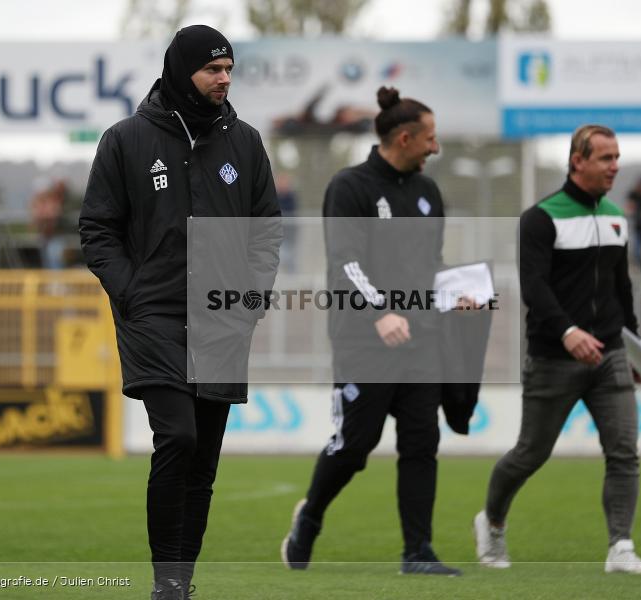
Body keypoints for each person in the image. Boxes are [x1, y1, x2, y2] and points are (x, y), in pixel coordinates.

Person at [79, 25, 280, 600]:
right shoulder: (125, 140)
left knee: (204, 465)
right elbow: (97, 228)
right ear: (180, 70)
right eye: (213, 69)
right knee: (179, 438)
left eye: (229, 70)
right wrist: (131, 292)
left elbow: (266, 230)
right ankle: (166, 581)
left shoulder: (245, 143)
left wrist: (252, 297)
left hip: (223, 318)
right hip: (153, 315)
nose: (223, 79)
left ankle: (179, 584)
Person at [280, 87, 463, 576]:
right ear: (404, 138)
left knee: (422, 442)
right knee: (355, 445)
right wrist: (381, 312)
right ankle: (310, 518)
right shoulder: (351, 187)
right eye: (430, 138)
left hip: (421, 338)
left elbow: (431, 263)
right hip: (364, 339)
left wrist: (455, 289)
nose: (435, 147)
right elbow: (346, 262)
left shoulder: (428, 193)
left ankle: (417, 552)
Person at [473, 124, 641, 575]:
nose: (615, 166)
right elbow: (534, 288)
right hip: (554, 357)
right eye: (605, 158)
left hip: (611, 355)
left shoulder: (617, 217)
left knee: (623, 452)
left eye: (617, 157)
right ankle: (492, 522)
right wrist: (567, 332)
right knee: (530, 454)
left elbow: (622, 289)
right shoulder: (540, 218)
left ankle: (621, 547)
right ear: (578, 161)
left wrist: (633, 350)